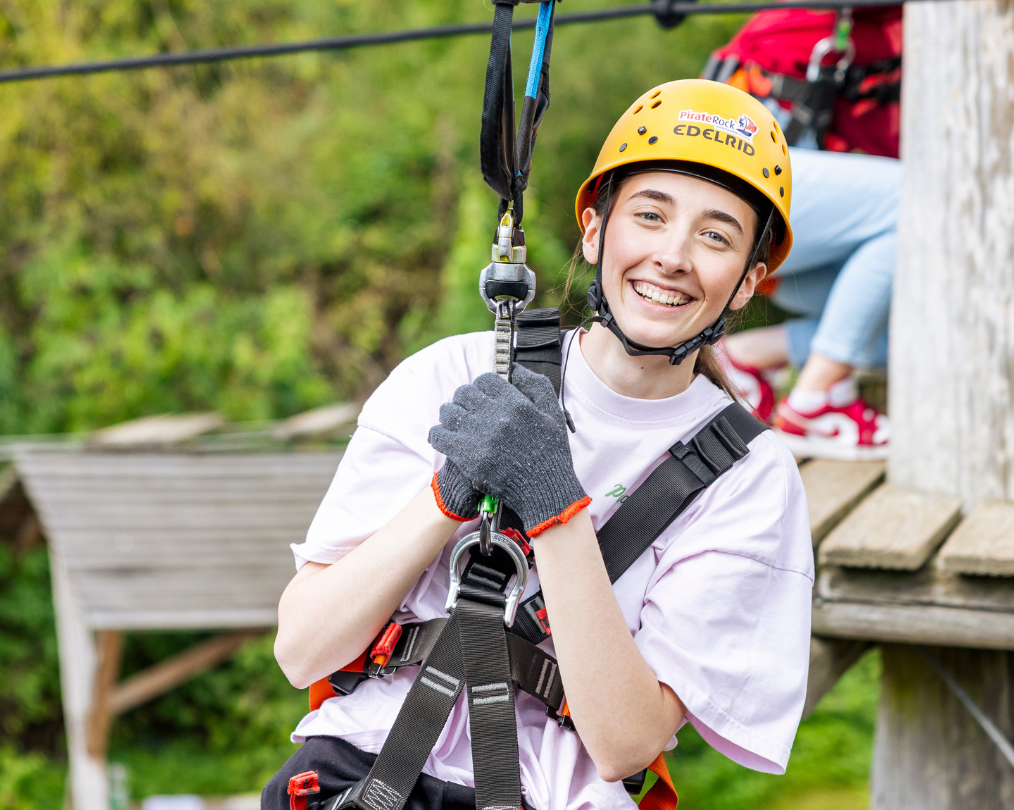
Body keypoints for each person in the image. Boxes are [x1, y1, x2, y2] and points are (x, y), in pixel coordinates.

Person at [263, 80, 813, 810]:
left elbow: (625, 741)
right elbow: (303, 648)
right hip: (360, 775)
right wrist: (446, 496)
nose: (673, 256)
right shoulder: (455, 373)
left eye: (715, 236)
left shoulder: (747, 479)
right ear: (595, 232)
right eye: (649, 216)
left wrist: (557, 506)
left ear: (747, 282)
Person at [700, 5, 902, 460]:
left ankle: (748, 356)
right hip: (744, 172)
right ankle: (815, 399)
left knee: (921, 320)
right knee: (915, 200)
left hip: (805, 248)